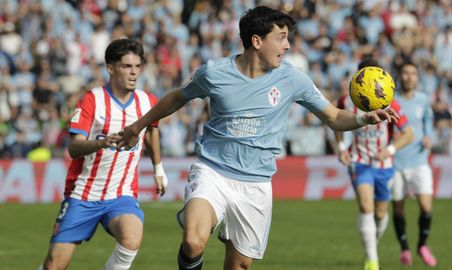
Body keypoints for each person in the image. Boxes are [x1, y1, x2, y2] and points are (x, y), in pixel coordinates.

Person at [117, 6, 399, 270]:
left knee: (240, 264)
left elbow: (334, 117)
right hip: (213, 171)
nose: (287, 46)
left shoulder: (293, 79)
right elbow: (178, 97)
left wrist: (364, 118)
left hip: (256, 183)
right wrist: (138, 126)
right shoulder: (215, 73)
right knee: (193, 240)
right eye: (281, 38)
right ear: (256, 41)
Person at [39, 39, 168, 270]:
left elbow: (152, 132)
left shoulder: (147, 101)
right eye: (127, 66)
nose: (134, 73)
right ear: (110, 68)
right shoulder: (92, 100)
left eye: (138, 66)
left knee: (132, 236)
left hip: (121, 194)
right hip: (84, 194)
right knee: (54, 265)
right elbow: (74, 147)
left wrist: (159, 170)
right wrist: (102, 143)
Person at [336, 59, 414, 270]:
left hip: (384, 164)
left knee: (380, 213)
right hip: (359, 160)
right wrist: (342, 147)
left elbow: (408, 134)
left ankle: (371, 249)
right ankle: (372, 262)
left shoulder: (390, 101)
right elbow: (336, 122)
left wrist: (388, 151)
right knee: (366, 206)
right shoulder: (347, 100)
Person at [391, 60, 437, 267]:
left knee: (426, 208)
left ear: (418, 77)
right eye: (406, 73)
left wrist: (428, 137)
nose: (409, 77)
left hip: (419, 160)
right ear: (400, 76)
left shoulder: (423, 100)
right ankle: (405, 249)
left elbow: (428, 122)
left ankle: (422, 245)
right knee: (399, 209)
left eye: (413, 73)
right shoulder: (392, 101)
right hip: (396, 161)